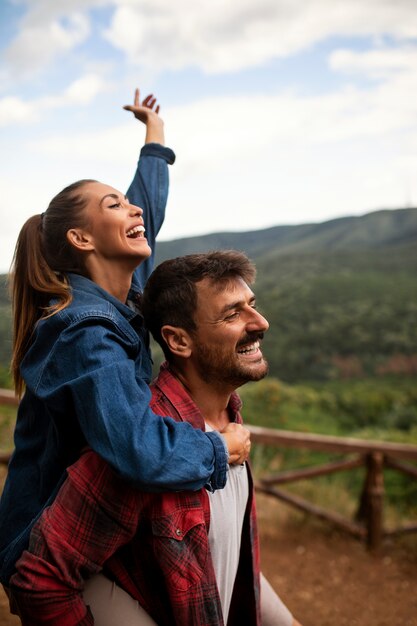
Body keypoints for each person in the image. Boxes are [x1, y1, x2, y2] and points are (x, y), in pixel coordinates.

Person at [0, 90, 250, 588]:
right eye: (115, 204)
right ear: (82, 239)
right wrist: (220, 449)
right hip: (51, 546)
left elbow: (148, 206)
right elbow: (138, 446)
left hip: (98, 525)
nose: (133, 209)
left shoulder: (126, 291)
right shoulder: (84, 333)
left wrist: (154, 134)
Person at [9, 251, 301, 626]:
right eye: (232, 313)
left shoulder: (230, 420)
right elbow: (39, 580)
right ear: (178, 341)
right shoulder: (143, 443)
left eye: (252, 305)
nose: (260, 322)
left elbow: (220, 558)